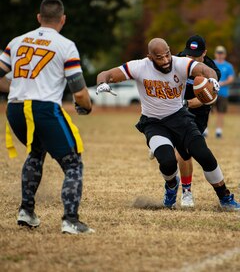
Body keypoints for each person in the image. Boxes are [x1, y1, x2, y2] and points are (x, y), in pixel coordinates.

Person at [96, 38, 240, 210]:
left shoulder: (180, 63)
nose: (165, 61)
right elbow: (107, 74)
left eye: (167, 55)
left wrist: (212, 79)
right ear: (150, 57)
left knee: (204, 154)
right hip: (154, 123)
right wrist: (102, 83)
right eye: (159, 57)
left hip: (179, 118)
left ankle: (225, 197)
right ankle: (171, 186)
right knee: (167, 161)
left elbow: (204, 69)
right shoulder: (139, 66)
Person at [0, 0, 94, 234]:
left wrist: (19, 89)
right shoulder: (65, 45)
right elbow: (79, 92)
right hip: (43, 108)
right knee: (73, 163)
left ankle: (26, 211)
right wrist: (86, 107)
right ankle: (71, 220)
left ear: (39, 18)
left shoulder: (16, 41)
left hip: (15, 109)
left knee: (36, 152)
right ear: (63, 19)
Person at [176, 35, 221, 208]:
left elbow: (208, 99)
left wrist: (185, 103)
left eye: (196, 57)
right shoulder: (177, 59)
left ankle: (186, 193)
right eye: (189, 56)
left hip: (198, 113)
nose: (191, 60)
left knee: (185, 151)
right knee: (176, 152)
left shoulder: (212, 70)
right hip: (176, 109)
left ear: (205, 53)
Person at [214, 45, 235, 138]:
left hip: (223, 93)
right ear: (215, 54)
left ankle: (219, 131)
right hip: (211, 92)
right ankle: (205, 130)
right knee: (207, 111)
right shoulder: (212, 64)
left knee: (221, 112)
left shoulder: (228, 66)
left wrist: (221, 83)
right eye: (218, 53)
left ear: (224, 55)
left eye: (221, 53)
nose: (220, 55)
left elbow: (231, 79)